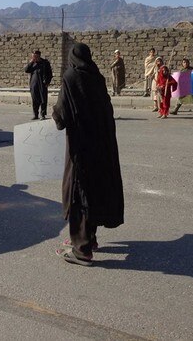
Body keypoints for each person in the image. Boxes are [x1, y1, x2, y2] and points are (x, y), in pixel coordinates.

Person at [52, 43, 124, 266]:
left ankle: (81, 249)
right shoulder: (97, 77)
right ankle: (89, 238)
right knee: (94, 189)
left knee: (79, 192)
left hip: (81, 146)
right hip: (102, 145)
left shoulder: (71, 76)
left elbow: (62, 115)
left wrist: (54, 115)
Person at [24, 50, 53, 120]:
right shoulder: (32, 63)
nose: (34, 58)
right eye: (33, 56)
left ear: (39, 56)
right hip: (34, 84)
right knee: (35, 99)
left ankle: (43, 114)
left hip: (42, 84)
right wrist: (31, 62)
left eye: (35, 56)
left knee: (43, 99)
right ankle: (35, 115)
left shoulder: (45, 63)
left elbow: (50, 73)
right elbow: (26, 70)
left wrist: (48, 82)